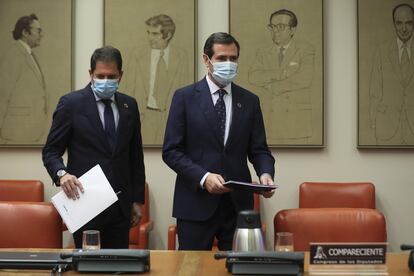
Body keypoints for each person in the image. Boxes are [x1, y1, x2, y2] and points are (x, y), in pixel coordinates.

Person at [163, 32, 275, 250]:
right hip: (195, 203)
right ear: (206, 60)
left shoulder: (249, 101)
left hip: (237, 207)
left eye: (233, 59)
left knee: (240, 269)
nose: (229, 64)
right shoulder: (184, 97)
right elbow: (171, 151)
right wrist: (204, 177)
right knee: (192, 269)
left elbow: (259, 149)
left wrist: (266, 174)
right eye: (222, 58)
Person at [42, 46, 146, 249]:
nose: (105, 81)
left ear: (121, 75)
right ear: (90, 74)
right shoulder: (71, 104)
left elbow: (135, 157)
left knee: (118, 268)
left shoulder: (129, 105)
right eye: (100, 76)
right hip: (85, 204)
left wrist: (137, 200)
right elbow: (51, 151)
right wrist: (62, 174)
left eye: (111, 76)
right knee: (87, 267)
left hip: (120, 208)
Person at [121, 14, 191, 145]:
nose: (149, 38)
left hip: (171, 119)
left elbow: (185, 90)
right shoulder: (137, 55)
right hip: (143, 117)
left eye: (155, 34)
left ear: (168, 35)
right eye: (148, 33)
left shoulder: (181, 56)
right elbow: (128, 89)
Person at [249, 9, 315, 145]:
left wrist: (273, 86)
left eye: (280, 27)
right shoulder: (263, 52)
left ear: (292, 30)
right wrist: (281, 73)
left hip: (296, 119)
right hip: (269, 118)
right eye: (272, 27)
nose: (275, 31)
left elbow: (304, 79)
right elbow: (253, 76)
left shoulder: (306, 50)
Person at [369, 3, 414, 145]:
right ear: (393, 23)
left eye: (409, 23)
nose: (404, 28)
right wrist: (373, 122)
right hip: (387, 129)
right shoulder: (381, 51)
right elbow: (374, 91)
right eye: (399, 23)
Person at [0, 13, 47, 144]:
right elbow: (2, 95)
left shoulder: (28, 54)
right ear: (25, 32)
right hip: (16, 131)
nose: (41, 35)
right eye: (38, 31)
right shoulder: (13, 54)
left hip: (28, 130)